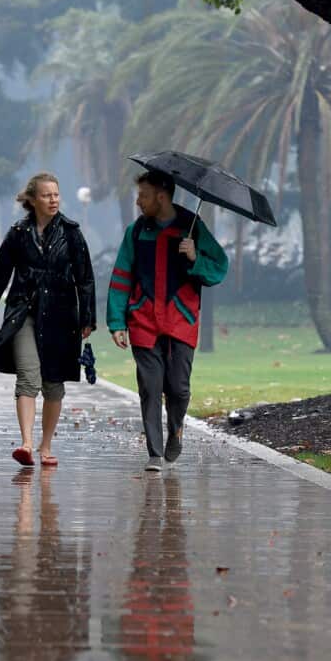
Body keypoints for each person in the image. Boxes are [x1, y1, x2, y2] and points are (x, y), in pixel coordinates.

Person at [107, 169, 227, 471]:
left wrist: (194, 257)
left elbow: (219, 267)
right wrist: (117, 322)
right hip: (143, 319)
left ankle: (177, 428)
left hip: (181, 320)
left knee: (178, 388)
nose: (138, 202)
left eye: (143, 195)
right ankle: (155, 453)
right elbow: (122, 276)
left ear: (161, 196)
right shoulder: (136, 232)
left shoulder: (191, 227)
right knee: (149, 385)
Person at [0, 172, 96, 468]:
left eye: (56, 194)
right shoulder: (17, 233)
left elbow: (86, 279)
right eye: (46, 195)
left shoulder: (72, 233)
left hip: (61, 315)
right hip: (23, 312)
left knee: (53, 383)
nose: (53, 199)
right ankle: (27, 443)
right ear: (32, 200)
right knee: (28, 376)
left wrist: (87, 318)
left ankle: (46, 445)